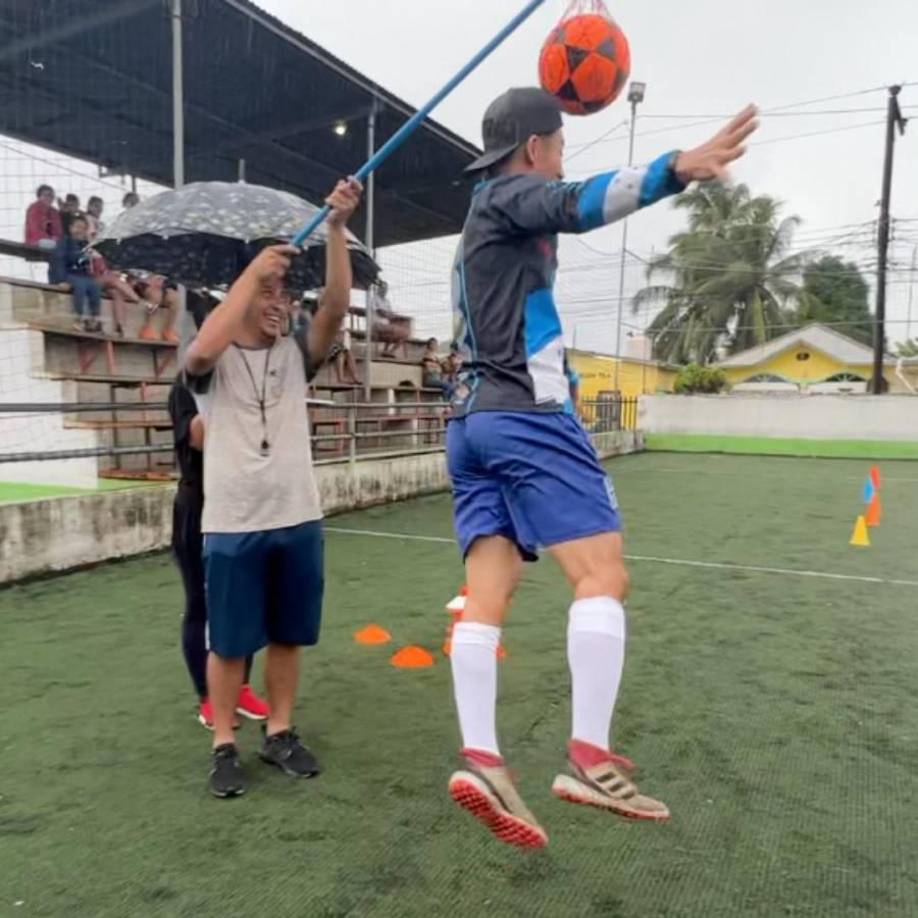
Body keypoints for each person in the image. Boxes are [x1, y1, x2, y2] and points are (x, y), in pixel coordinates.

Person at [444, 87, 758, 847]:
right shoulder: (513, 192)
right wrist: (675, 168)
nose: (559, 157)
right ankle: (587, 754)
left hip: (470, 422)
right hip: (524, 416)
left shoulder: (477, 223)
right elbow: (577, 204)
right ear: (534, 147)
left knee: (488, 589)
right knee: (601, 574)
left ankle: (482, 757)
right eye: (557, 144)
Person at [184, 176, 362, 799]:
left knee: (289, 633)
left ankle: (280, 731)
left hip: (296, 515)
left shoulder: (294, 353)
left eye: (283, 292)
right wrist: (252, 274)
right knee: (230, 641)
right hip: (232, 522)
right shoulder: (210, 360)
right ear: (240, 293)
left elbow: (336, 308)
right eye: (270, 291)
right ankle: (224, 743)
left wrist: (336, 228)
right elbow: (205, 345)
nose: (279, 302)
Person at [168, 295, 270, 730]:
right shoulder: (186, 384)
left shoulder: (248, 380)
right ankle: (208, 696)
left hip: (246, 508)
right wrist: (226, 406)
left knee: (245, 605)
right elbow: (198, 437)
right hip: (201, 508)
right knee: (203, 606)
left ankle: (239, 685)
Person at [49, 214, 102, 332]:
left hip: (81, 275)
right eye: (78, 227)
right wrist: (60, 280)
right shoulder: (64, 241)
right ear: (71, 228)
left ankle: (95, 319)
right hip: (67, 274)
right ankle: (79, 319)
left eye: (83, 228)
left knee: (94, 286)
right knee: (81, 285)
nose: (80, 231)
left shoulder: (84, 245)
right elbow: (58, 261)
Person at [24, 184, 62, 250]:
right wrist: (50, 238)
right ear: (39, 197)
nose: (49, 198)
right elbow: (35, 229)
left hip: (51, 242)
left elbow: (58, 230)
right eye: (45, 195)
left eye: (51, 195)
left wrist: (56, 238)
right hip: (36, 241)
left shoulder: (54, 212)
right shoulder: (34, 209)